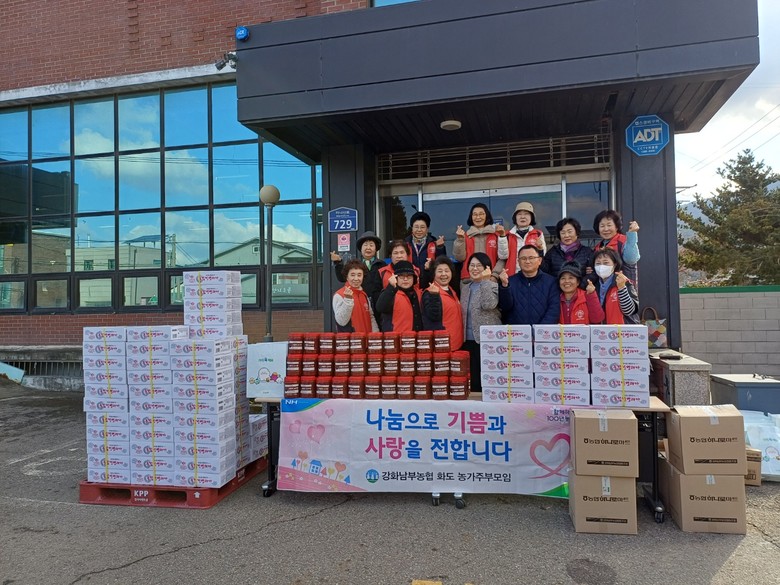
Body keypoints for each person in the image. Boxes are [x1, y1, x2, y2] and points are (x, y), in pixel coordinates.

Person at [459, 253, 502, 393]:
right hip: (468, 341)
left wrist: (485, 281)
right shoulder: (465, 288)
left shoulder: (493, 286)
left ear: (486, 268)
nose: (475, 268)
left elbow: (489, 304)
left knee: (488, 380)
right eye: (472, 265)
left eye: (479, 266)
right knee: (473, 380)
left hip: (487, 341)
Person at [498, 244, 560, 325]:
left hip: (542, 331)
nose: (527, 261)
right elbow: (505, 307)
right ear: (518, 262)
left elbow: (553, 310)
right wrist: (505, 286)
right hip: (516, 331)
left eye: (531, 258)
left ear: (539, 260)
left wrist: (540, 330)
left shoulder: (551, 282)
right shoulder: (509, 281)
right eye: (523, 258)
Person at [453, 203, 508, 282]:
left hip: (490, 279)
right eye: (475, 214)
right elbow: (459, 258)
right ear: (471, 217)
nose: (478, 217)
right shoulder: (465, 236)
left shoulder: (495, 235)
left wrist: (494, 276)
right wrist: (460, 240)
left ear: (487, 216)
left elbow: (502, 259)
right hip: (468, 280)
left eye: (481, 214)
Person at [421, 256, 464, 350]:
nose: (444, 274)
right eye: (440, 271)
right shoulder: (429, 292)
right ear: (433, 274)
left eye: (447, 271)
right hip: (442, 346)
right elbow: (433, 316)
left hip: (457, 343)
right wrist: (434, 296)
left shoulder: (452, 290)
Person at [590, 247, 639, 324]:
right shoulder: (592, 284)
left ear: (615, 264)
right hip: (601, 329)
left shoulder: (624, 281)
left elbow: (629, 311)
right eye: (598, 263)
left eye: (606, 263)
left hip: (624, 329)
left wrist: (622, 288)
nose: (601, 266)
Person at [592, 209, 640, 284]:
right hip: (603, 287)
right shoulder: (597, 247)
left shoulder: (624, 241)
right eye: (602, 226)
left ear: (617, 227)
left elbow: (631, 259)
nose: (606, 229)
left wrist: (632, 233)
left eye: (609, 225)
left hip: (624, 286)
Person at [498, 202, 547, 275]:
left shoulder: (538, 234)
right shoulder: (507, 235)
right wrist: (502, 237)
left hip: (532, 275)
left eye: (526, 214)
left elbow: (542, 257)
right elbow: (503, 256)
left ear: (531, 217)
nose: (522, 217)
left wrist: (540, 249)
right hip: (512, 275)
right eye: (519, 214)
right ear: (515, 218)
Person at [375, 260, 424, 332]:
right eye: (401, 276)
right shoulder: (390, 292)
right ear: (396, 278)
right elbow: (380, 308)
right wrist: (391, 287)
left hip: (417, 337)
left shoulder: (419, 293)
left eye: (409, 276)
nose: (405, 279)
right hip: (396, 337)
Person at [332, 259, 379, 333]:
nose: (356, 279)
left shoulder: (364, 295)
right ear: (347, 277)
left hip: (367, 338)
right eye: (352, 275)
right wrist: (348, 300)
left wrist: (376, 334)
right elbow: (341, 321)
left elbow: (371, 317)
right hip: (350, 339)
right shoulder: (339, 295)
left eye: (359, 275)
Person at [405, 211, 446, 289]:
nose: (419, 230)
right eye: (416, 227)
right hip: (409, 285)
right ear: (412, 228)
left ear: (427, 229)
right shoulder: (405, 244)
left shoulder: (434, 243)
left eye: (422, 227)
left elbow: (442, 265)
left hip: (430, 285)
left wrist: (440, 248)